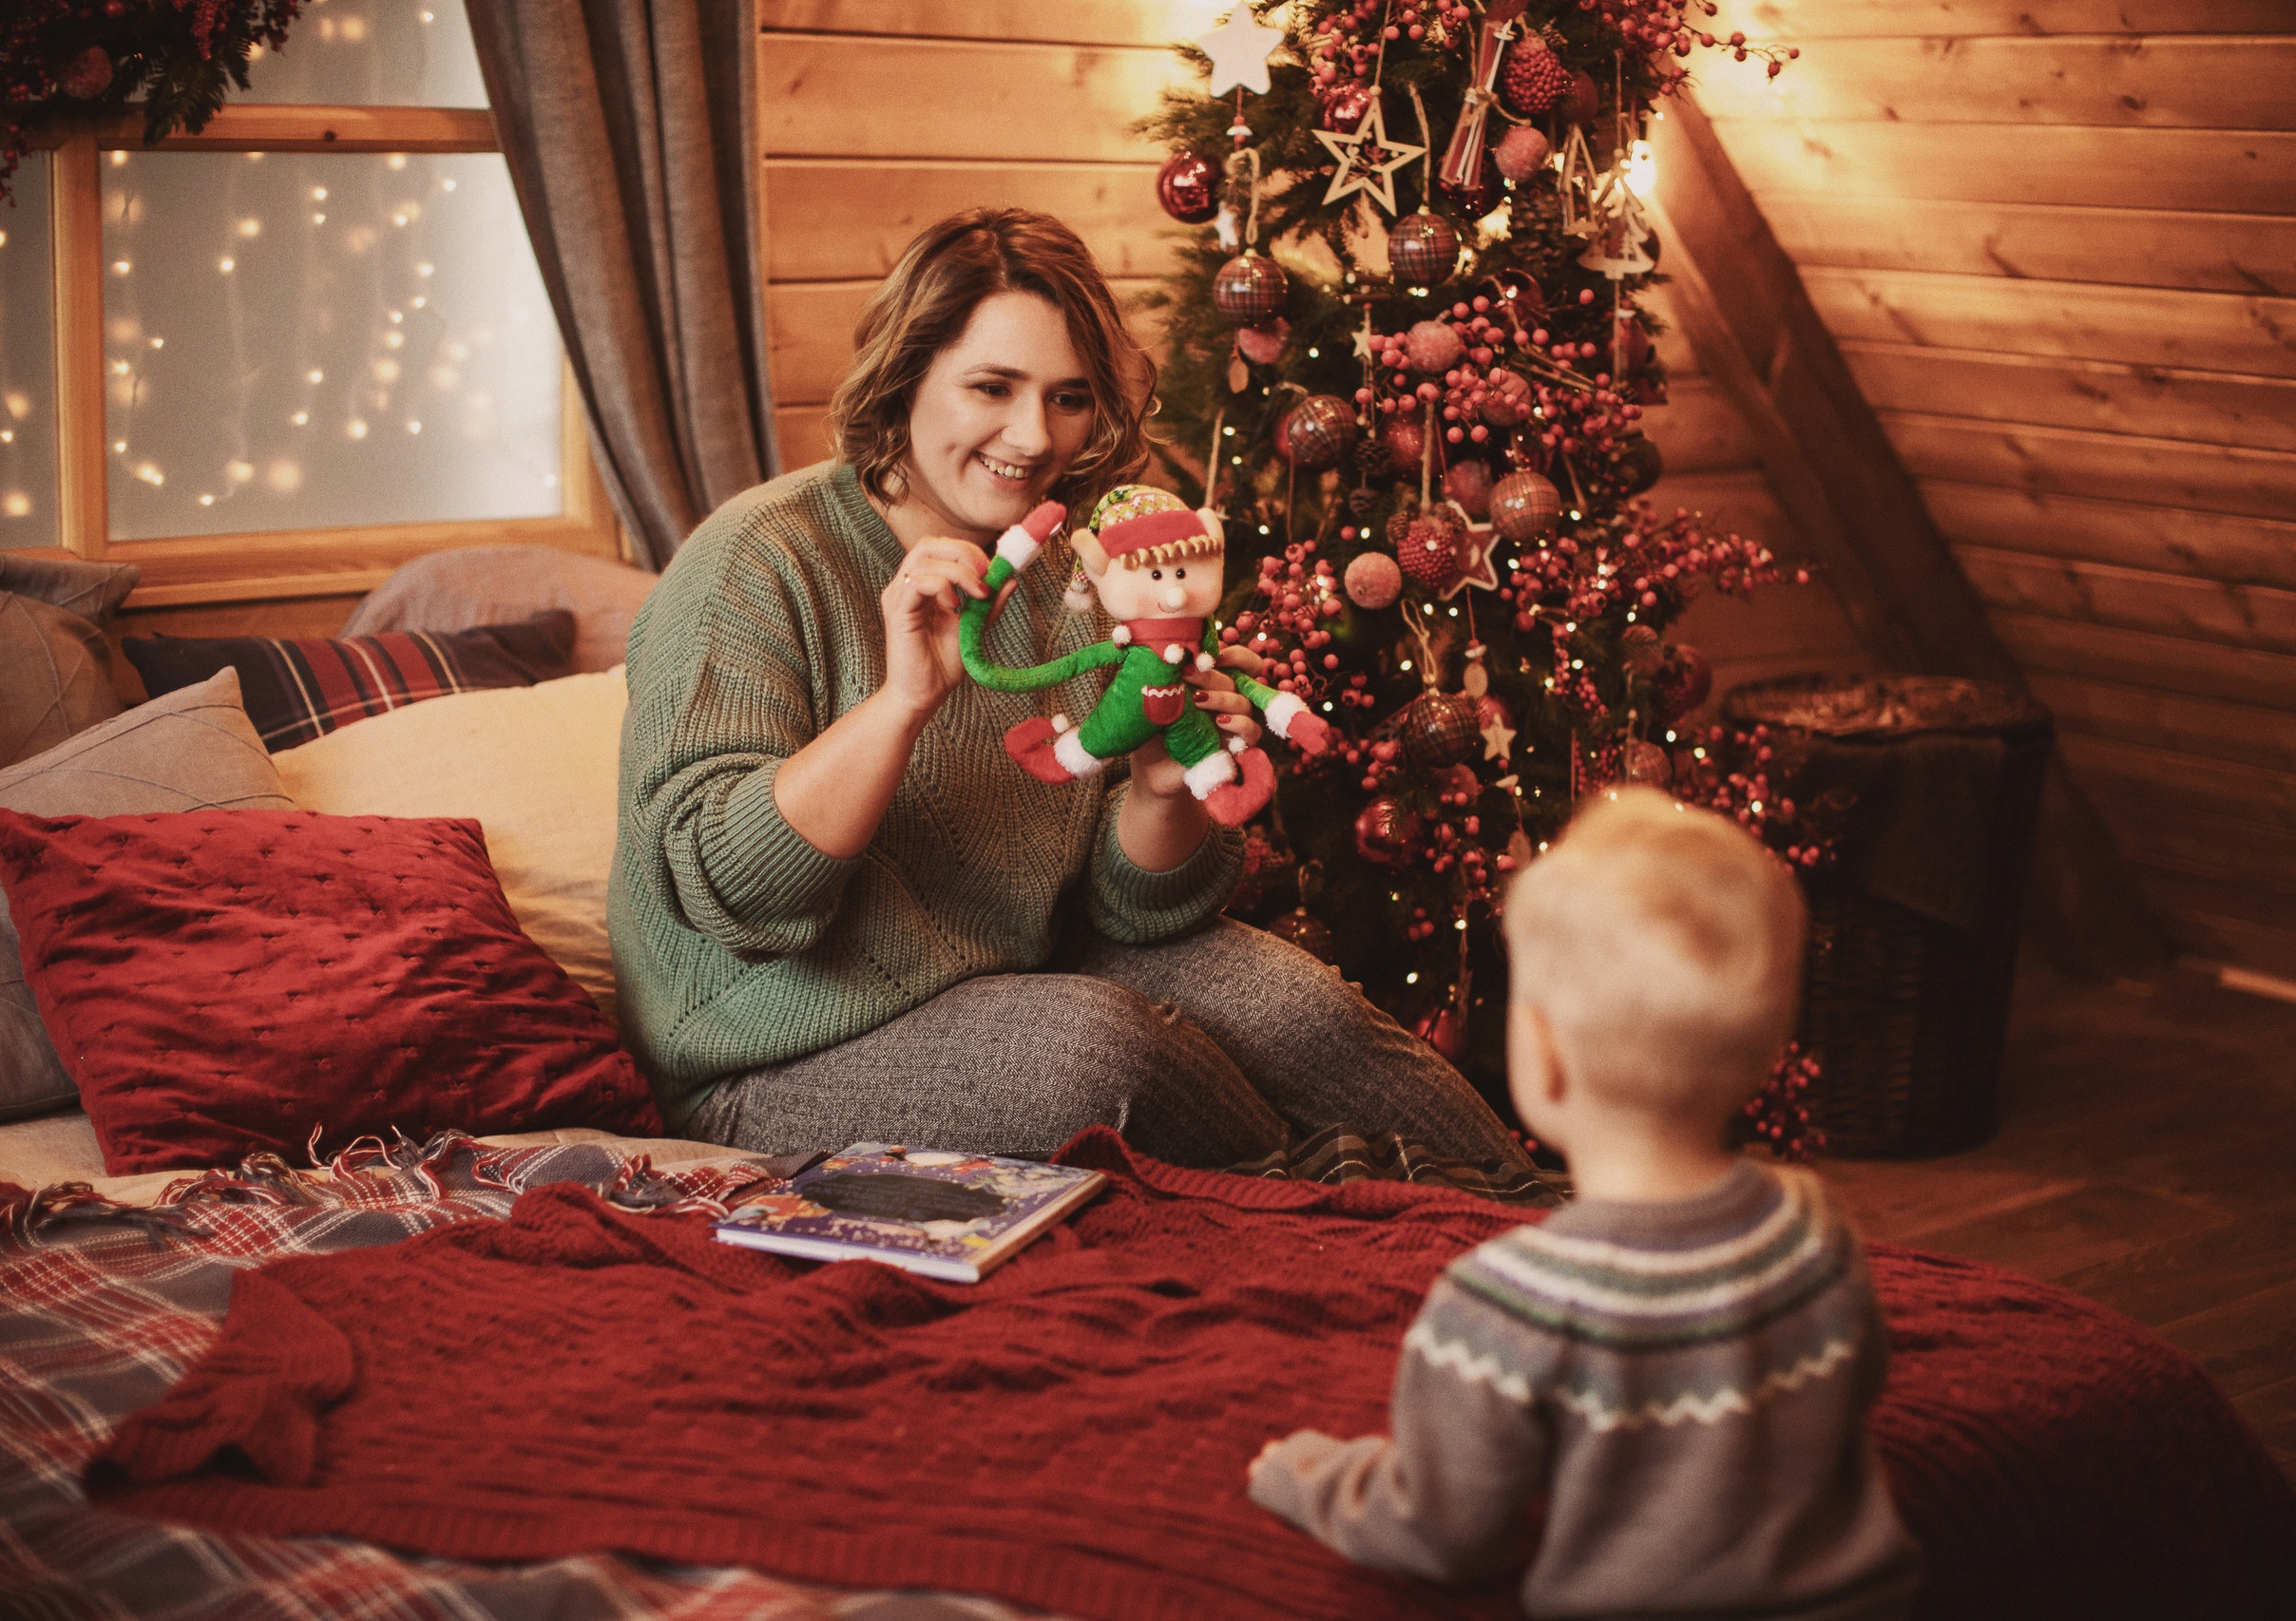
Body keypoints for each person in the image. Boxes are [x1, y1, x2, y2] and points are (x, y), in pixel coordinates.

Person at [609, 205, 1532, 1178]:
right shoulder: (760, 555)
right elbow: (723, 889)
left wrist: (1156, 788)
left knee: (1296, 1007)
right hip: (763, 1059)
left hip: (1012, 974)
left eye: (1068, 397)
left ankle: (1560, 1231)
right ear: (906, 377)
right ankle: (1358, 1225)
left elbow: (1137, 910)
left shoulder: (1072, 571)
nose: (1031, 435)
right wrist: (899, 705)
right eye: (991, 387)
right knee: (1097, 1052)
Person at [1247, 789, 1921, 1619]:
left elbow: (1440, 1532)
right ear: (1768, 1050)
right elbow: (1859, 1379)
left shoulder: (1504, 1304)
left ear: (1545, 1059)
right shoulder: (1813, 1224)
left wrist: (1313, 1476)